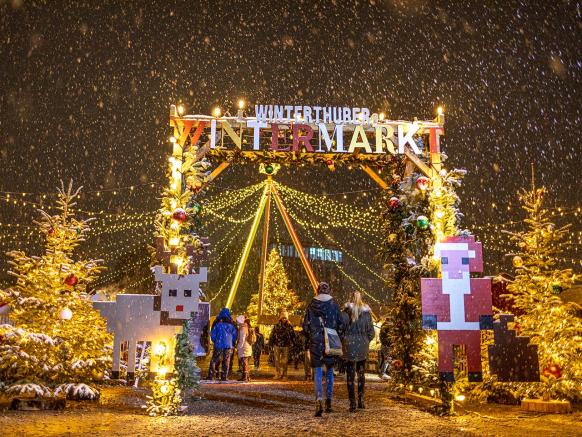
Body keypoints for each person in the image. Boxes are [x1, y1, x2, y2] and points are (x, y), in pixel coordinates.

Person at [302, 282, 345, 417]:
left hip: (316, 342)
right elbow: (341, 324)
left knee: (318, 372)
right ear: (328, 291)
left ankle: (319, 400)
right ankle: (329, 402)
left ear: (317, 291)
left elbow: (305, 326)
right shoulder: (334, 305)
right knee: (330, 372)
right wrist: (336, 334)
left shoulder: (311, 305)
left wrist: (312, 334)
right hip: (330, 341)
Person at [343, 292, 375, 412]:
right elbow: (371, 332)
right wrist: (365, 340)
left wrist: (346, 339)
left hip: (350, 346)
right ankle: (361, 399)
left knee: (350, 375)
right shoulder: (367, 314)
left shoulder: (346, 312)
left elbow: (342, 327)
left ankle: (352, 402)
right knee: (361, 374)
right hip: (362, 346)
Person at [208, 307, 238, 381]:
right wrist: (231, 342)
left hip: (219, 345)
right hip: (228, 345)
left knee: (214, 360)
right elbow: (235, 335)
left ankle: (211, 375)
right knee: (226, 361)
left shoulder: (217, 324)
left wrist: (216, 341)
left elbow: (213, 335)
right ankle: (224, 376)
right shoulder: (231, 325)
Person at [269, 309, 295, 380]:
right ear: (280, 318)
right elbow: (272, 335)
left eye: (285, 318)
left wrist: (292, 343)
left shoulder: (289, 326)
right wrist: (271, 343)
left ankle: (285, 375)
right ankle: (278, 373)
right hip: (277, 345)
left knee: (285, 361)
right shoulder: (276, 325)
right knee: (277, 360)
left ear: (287, 318)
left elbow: (293, 335)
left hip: (286, 345)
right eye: (283, 317)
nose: (284, 319)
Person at [236, 315, 253, 382]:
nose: (237, 322)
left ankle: (245, 377)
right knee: (245, 362)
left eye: (237, 321)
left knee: (244, 362)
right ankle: (247, 376)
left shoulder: (243, 328)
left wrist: (238, 347)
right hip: (247, 346)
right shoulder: (246, 326)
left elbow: (242, 339)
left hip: (244, 347)